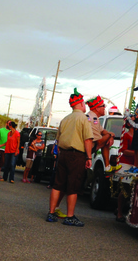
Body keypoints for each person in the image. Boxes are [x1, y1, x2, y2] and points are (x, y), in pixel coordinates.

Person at [47, 90, 94, 227]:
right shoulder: (83, 119)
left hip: (63, 154)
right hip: (76, 154)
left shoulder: (65, 119)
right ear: (80, 104)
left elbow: (58, 139)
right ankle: (70, 216)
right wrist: (89, 157)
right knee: (73, 186)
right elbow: (88, 140)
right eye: (84, 103)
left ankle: (51, 213)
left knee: (58, 184)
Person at [87, 95, 116, 171]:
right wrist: (110, 135)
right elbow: (99, 141)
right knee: (106, 139)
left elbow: (103, 131)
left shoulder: (93, 116)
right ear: (97, 108)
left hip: (87, 147)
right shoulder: (93, 118)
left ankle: (107, 167)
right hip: (87, 147)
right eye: (103, 106)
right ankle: (107, 167)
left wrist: (110, 135)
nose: (105, 108)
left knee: (106, 137)